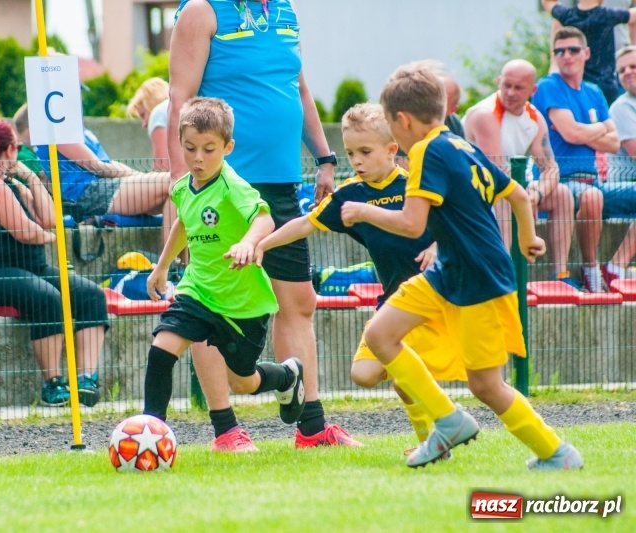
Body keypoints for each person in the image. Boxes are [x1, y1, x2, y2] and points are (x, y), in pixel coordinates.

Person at [351, 60, 582, 470]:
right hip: (448, 272)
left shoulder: (425, 151)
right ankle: (448, 419)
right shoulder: (461, 145)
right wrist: (528, 237)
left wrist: (363, 212)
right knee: (381, 334)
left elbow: (411, 224)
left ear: (402, 121)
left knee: (487, 386)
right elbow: (517, 194)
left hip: (480, 277)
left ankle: (556, 452)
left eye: (390, 125)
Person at [167, 0, 361, 449]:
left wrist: (325, 157)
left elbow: (299, 88)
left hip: (281, 184)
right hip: (223, 188)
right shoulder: (201, 11)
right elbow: (180, 98)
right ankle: (226, 430)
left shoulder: (286, 11)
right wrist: (185, 190)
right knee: (210, 307)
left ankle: (312, 429)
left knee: (299, 301)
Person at [256, 103, 467, 453]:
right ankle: (444, 419)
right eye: (351, 152)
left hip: (432, 297)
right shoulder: (350, 194)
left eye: (365, 152)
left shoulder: (414, 184)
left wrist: (437, 244)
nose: (357, 161)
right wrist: (260, 245)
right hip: (393, 300)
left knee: (405, 378)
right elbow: (305, 224)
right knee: (365, 374)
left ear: (391, 150)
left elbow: (460, 218)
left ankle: (434, 437)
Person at [142, 97, 306, 445]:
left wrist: (249, 243)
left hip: (241, 303)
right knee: (161, 351)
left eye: (209, 149)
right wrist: (162, 267)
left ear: (228, 147)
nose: (198, 158)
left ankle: (287, 376)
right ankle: (148, 434)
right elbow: (183, 223)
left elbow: (264, 218)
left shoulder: (233, 186)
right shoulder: (183, 187)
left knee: (242, 382)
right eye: (190, 148)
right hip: (198, 291)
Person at [0, 118, 109, 407]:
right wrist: (53, 238)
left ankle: (87, 379)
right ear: (7, 150)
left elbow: (49, 218)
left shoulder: (7, 183)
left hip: (30, 268)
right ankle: (53, 383)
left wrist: (32, 180)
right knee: (47, 298)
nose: (21, 150)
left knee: (91, 295)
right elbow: (28, 233)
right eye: (18, 146)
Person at [532, 26, 636, 291]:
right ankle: (590, 268)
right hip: (558, 182)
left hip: (594, 182)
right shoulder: (548, 86)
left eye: (573, 49)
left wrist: (581, 132)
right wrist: (597, 129)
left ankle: (614, 266)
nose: (566, 55)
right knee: (591, 196)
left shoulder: (593, 91)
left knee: (594, 194)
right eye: (559, 51)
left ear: (586, 53)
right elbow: (570, 133)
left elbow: (612, 143)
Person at [463, 59, 578, 288]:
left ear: (532, 90)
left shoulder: (535, 117)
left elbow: (550, 167)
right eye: (506, 85)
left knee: (563, 195)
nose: (510, 92)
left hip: (516, 186)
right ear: (499, 82)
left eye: (518, 88)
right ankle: (506, 276)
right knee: (506, 200)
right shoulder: (484, 114)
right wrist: (524, 198)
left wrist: (537, 192)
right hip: (479, 189)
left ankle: (561, 275)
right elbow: (498, 172)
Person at [13, 104, 172, 223]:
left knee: (178, 191)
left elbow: (107, 164)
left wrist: (142, 178)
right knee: (175, 183)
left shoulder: (78, 129)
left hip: (102, 185)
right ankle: (169, 266)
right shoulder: (56, 127)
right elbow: (98, 167)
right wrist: (145, 178)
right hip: (86, 193)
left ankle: (180, 265)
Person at [543, 0, 636, 104]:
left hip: (578, 83)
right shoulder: (608, 15)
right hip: (606, 83)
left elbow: (547, 3)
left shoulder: (567, 15)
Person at [604, 45, 636, 280]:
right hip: (618, 188)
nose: (627, 72)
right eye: (622, 70)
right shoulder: (622, 107)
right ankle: (615, 267)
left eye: (633, 66)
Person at [126, 77, 170, 171]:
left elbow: (162, 168)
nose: (144, 124)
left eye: (143, 115)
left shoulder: (158, 114)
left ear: (151, 104)